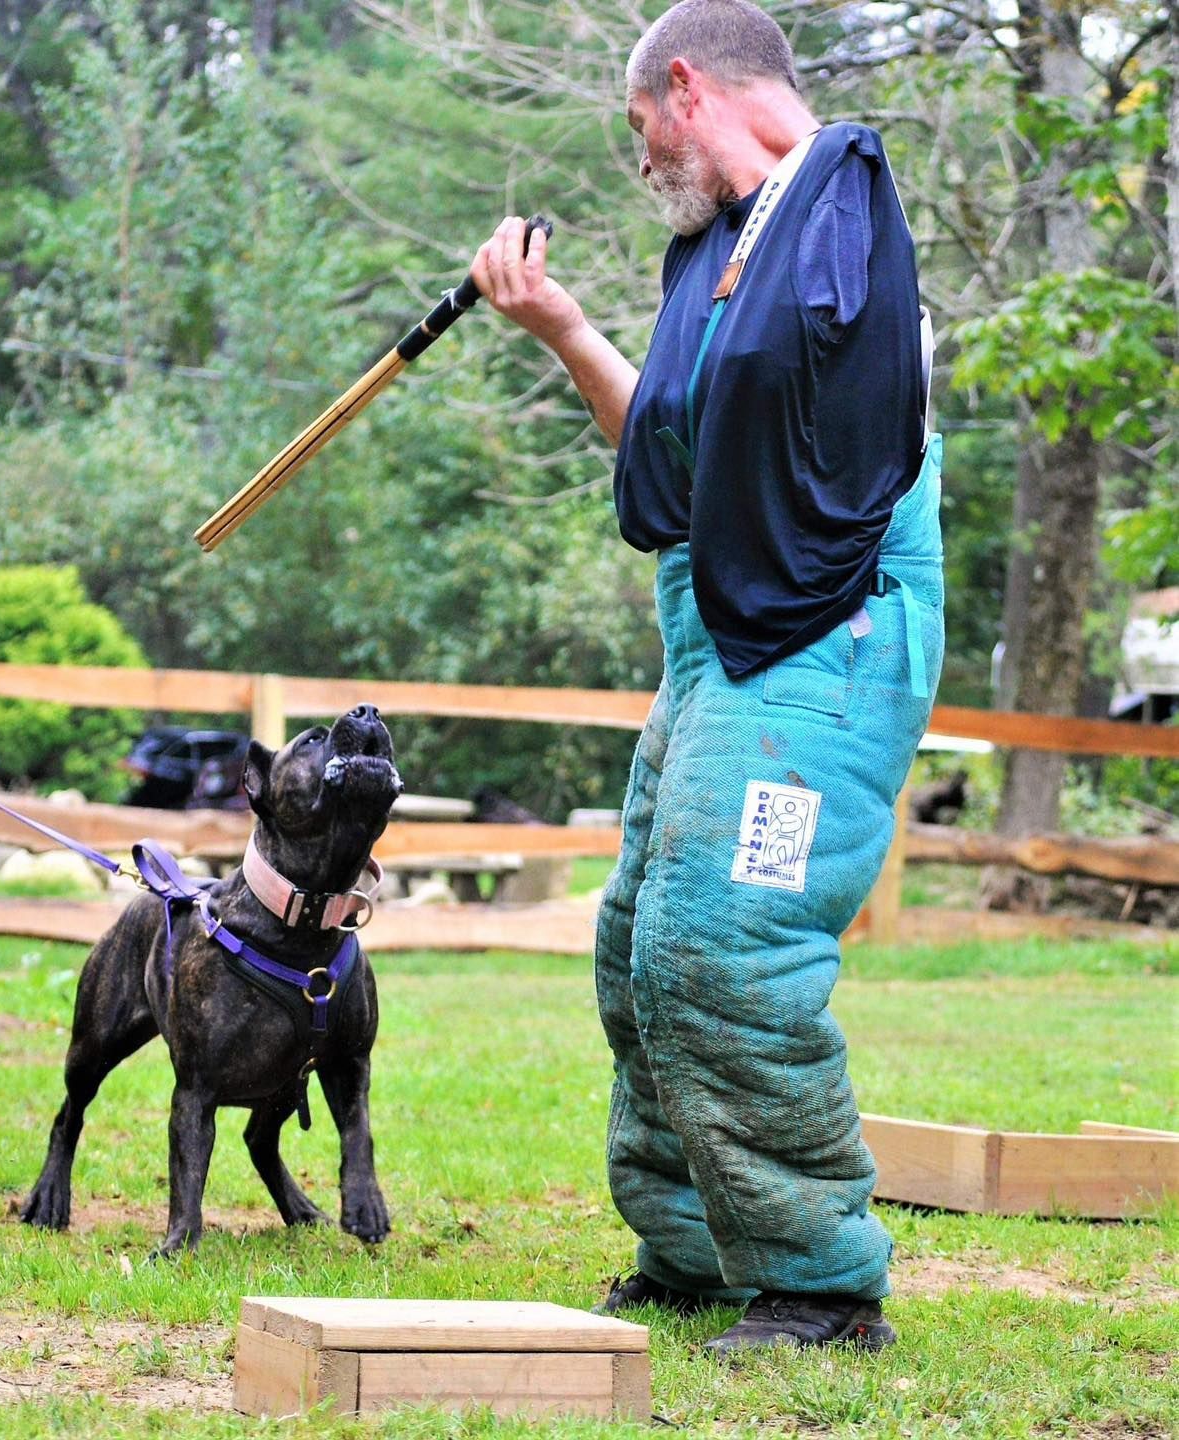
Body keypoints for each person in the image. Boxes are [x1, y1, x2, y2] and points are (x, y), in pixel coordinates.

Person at [471, 0, 943, 1356]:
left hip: (821, 633)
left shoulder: (834, 211)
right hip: (718, 633)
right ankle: (692, 1249)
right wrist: (563, 325)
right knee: (638, 953)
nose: (640, 167)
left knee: (722, 947)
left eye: (639, 133)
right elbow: (673, 466)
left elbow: (828, 417)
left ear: (686, 87)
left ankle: (820, 1282)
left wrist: (773, 186)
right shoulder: (723, 256)